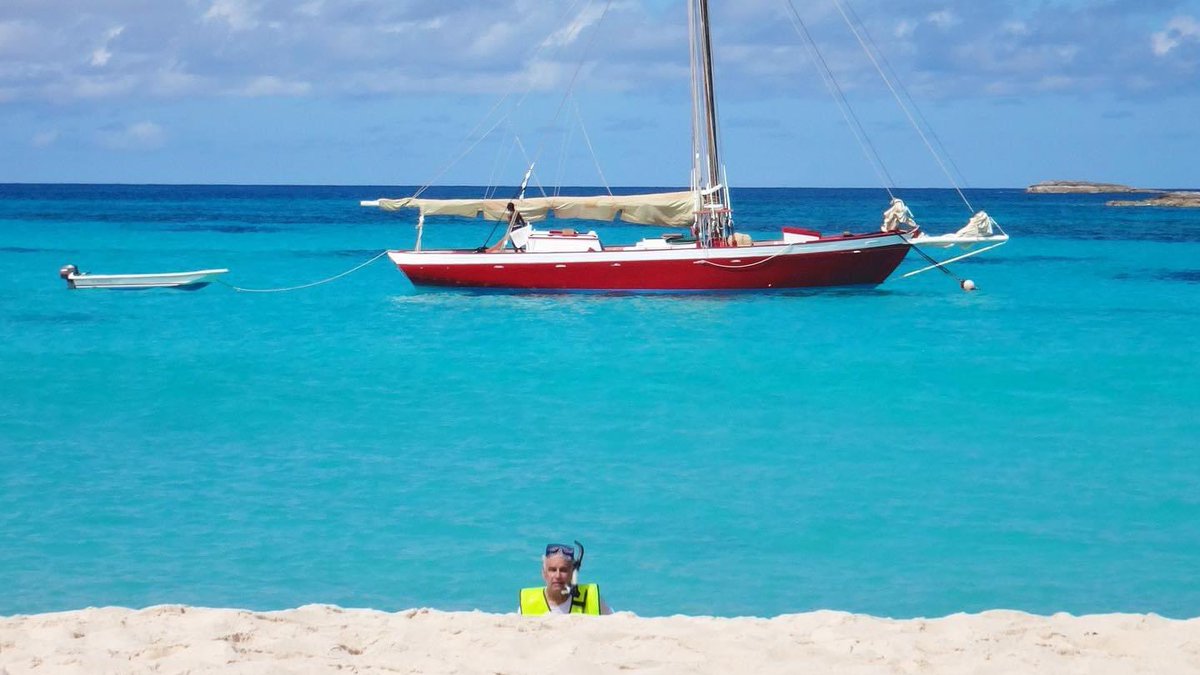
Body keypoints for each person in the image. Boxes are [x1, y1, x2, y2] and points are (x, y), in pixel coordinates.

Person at [518, 542, 612, 615]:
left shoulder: (590, 597)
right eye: (552, 570)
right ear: (544, 573)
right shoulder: (528, 603)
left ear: (572, 573)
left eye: (563, 570)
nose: (558, 576)